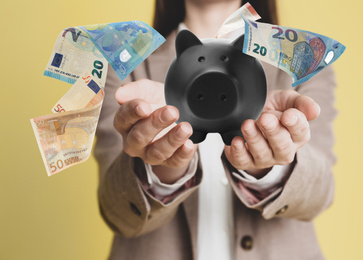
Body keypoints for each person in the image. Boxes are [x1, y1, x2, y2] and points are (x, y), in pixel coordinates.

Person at [94, 0, 337, 259]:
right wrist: (162, 167)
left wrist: (267, 166)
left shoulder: (301, 57)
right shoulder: (123, 62)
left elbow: (320, 194)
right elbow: (116, 212)